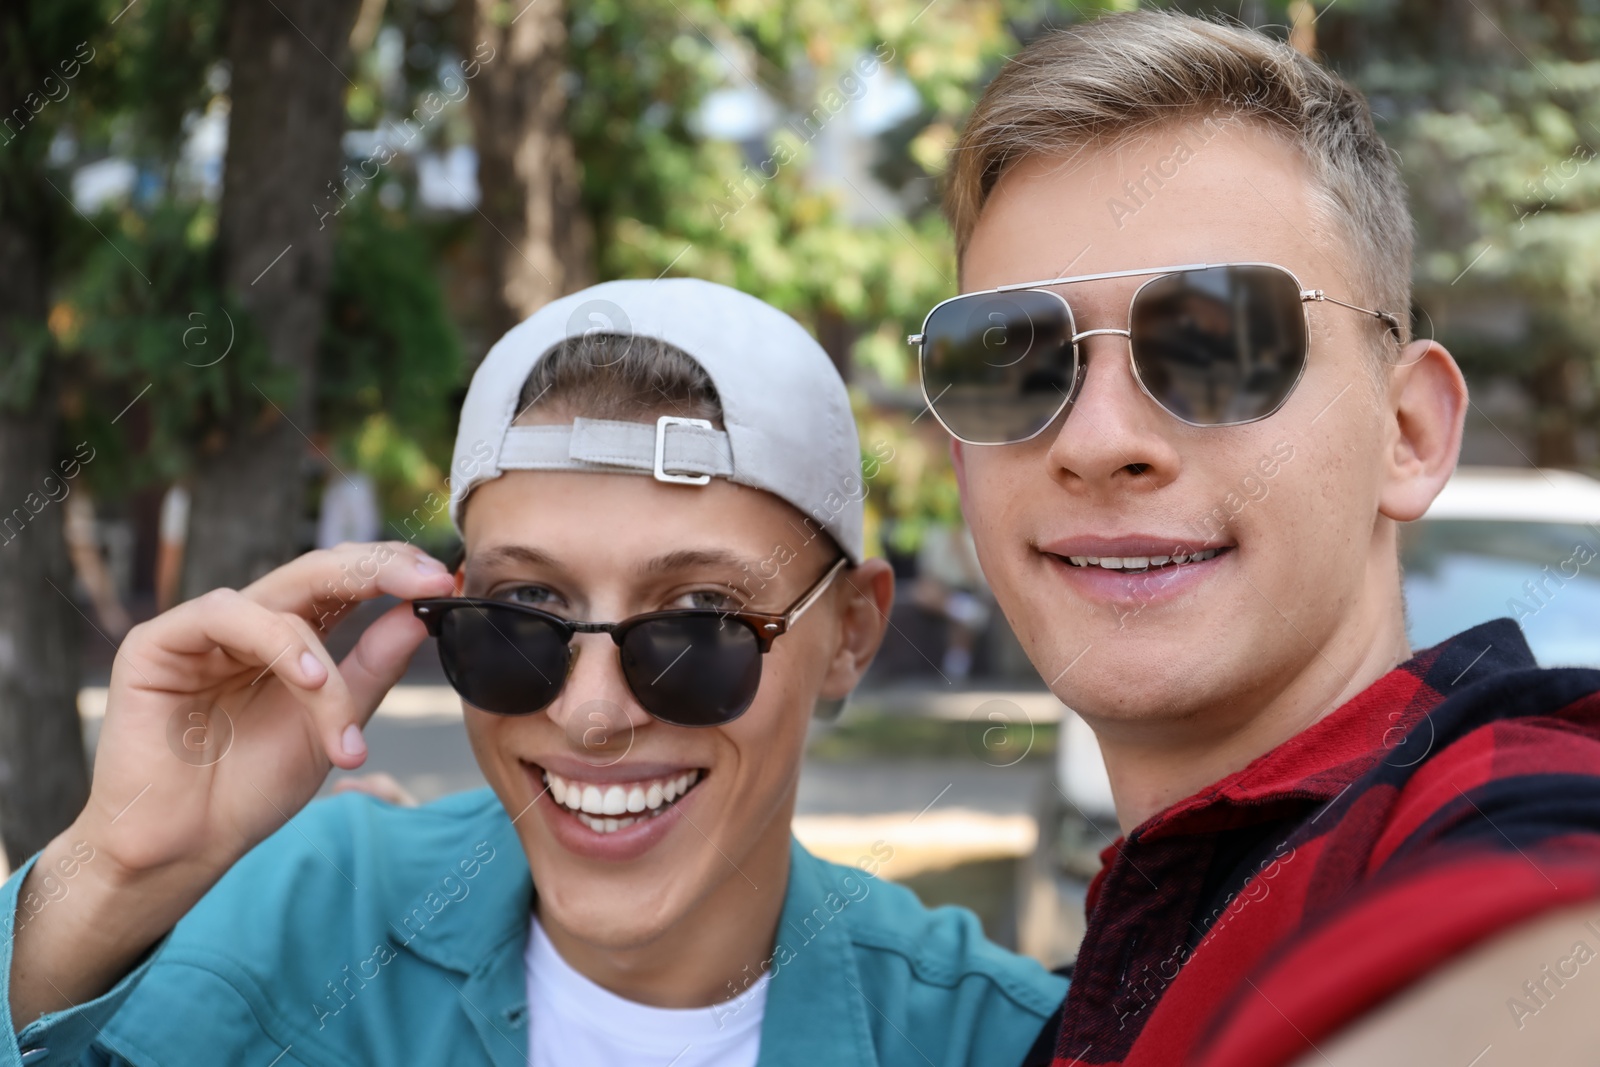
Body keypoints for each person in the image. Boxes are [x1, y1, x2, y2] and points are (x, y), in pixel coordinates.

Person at [4, 279, 1066, 1065]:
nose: (593, 712)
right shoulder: (305, 911)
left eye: (698, 619)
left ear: (850, 633)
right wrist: (116, 870)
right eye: (524, 615)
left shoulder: (996, 1037)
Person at [912, 12, 1600, 1066]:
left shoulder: (1504, 811)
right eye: (1010, 362)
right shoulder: (1081, 998)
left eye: (1214, 342)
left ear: (1407, 431)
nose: (1096, 442)